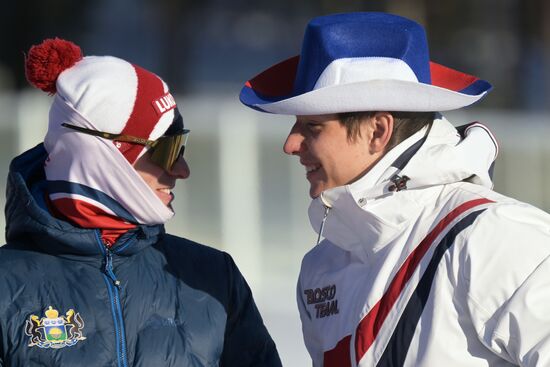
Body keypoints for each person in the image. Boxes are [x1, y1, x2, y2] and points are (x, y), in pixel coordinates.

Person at [240, 12, 550, 367]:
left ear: (378, 131)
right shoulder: (321, 268)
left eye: (312, 126)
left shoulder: (492, 237)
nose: (291, 144)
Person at [0, 38, 282, 367]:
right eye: (168, 148)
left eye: (182, 146)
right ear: (103, 156)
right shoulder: (6, 285)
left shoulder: (214, 276)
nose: (182, 170)